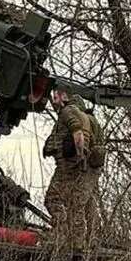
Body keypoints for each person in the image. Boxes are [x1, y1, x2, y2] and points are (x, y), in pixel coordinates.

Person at [42, 90, 99, 250]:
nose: (53, 100)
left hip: (71, 165)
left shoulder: (68, 112)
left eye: (56, 96)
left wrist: (80, 155)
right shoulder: (88, 117)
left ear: (64, 97)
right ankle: (78, 246)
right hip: (85, 167)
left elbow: (78, 133)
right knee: (77, 205)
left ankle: (62, 236)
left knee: (52, 199)